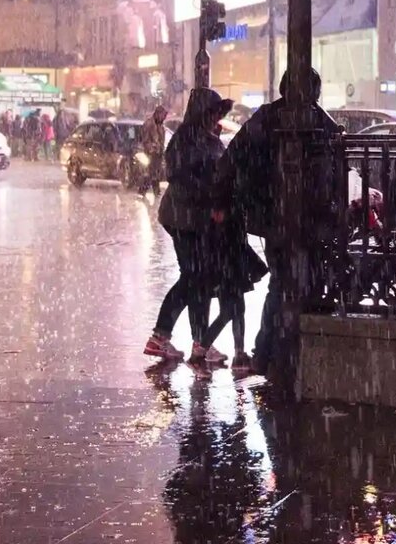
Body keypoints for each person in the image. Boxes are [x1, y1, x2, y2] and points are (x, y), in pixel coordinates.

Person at [229, 69, 339, 377]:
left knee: (282, 285)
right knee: (299, 284)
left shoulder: (269, 117)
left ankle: (269, 353)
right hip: (301, 219)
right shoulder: (319, 121)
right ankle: (281, 354)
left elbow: (234, 158)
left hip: (280, 218)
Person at [145, 87, 231, 366]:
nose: (217, 118)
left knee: (198, 280)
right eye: (213, 113)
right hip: (185, 220)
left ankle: (198, 341)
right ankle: (166, 338)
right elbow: (183, 179)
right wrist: (210, 199)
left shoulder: (203, 138)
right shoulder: (187, 140)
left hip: (195, 219)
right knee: (194, 278)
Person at [206, 124, 270, 376]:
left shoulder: (234, 168)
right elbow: (223, 212)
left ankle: (238, 351)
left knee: (236, 304)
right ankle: (202, 349)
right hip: (227, 249)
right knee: (231, 306)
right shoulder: (230, 175)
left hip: (233, 247)